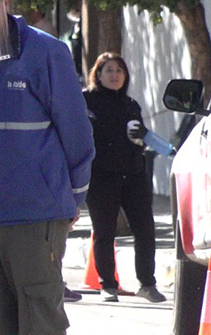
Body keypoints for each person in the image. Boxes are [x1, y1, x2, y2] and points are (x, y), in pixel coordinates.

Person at [0, 0, 95, 335]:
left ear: (4, 1)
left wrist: (71, 200)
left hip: (35, 218)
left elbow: (78, 136)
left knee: (39, 326)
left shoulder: (47, 52)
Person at [83, 52, 166, 303]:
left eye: (119, 71)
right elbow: (82, 135)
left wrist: (141, 136)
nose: (115, 75)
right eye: (109, 70)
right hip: (101, 175)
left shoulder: (131, 104)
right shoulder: (87, 101)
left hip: (133, 174)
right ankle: (108, 285)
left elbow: (141, 140)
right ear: (98, 74)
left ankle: (147, 284)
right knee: (104, 231)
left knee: (145, 229)